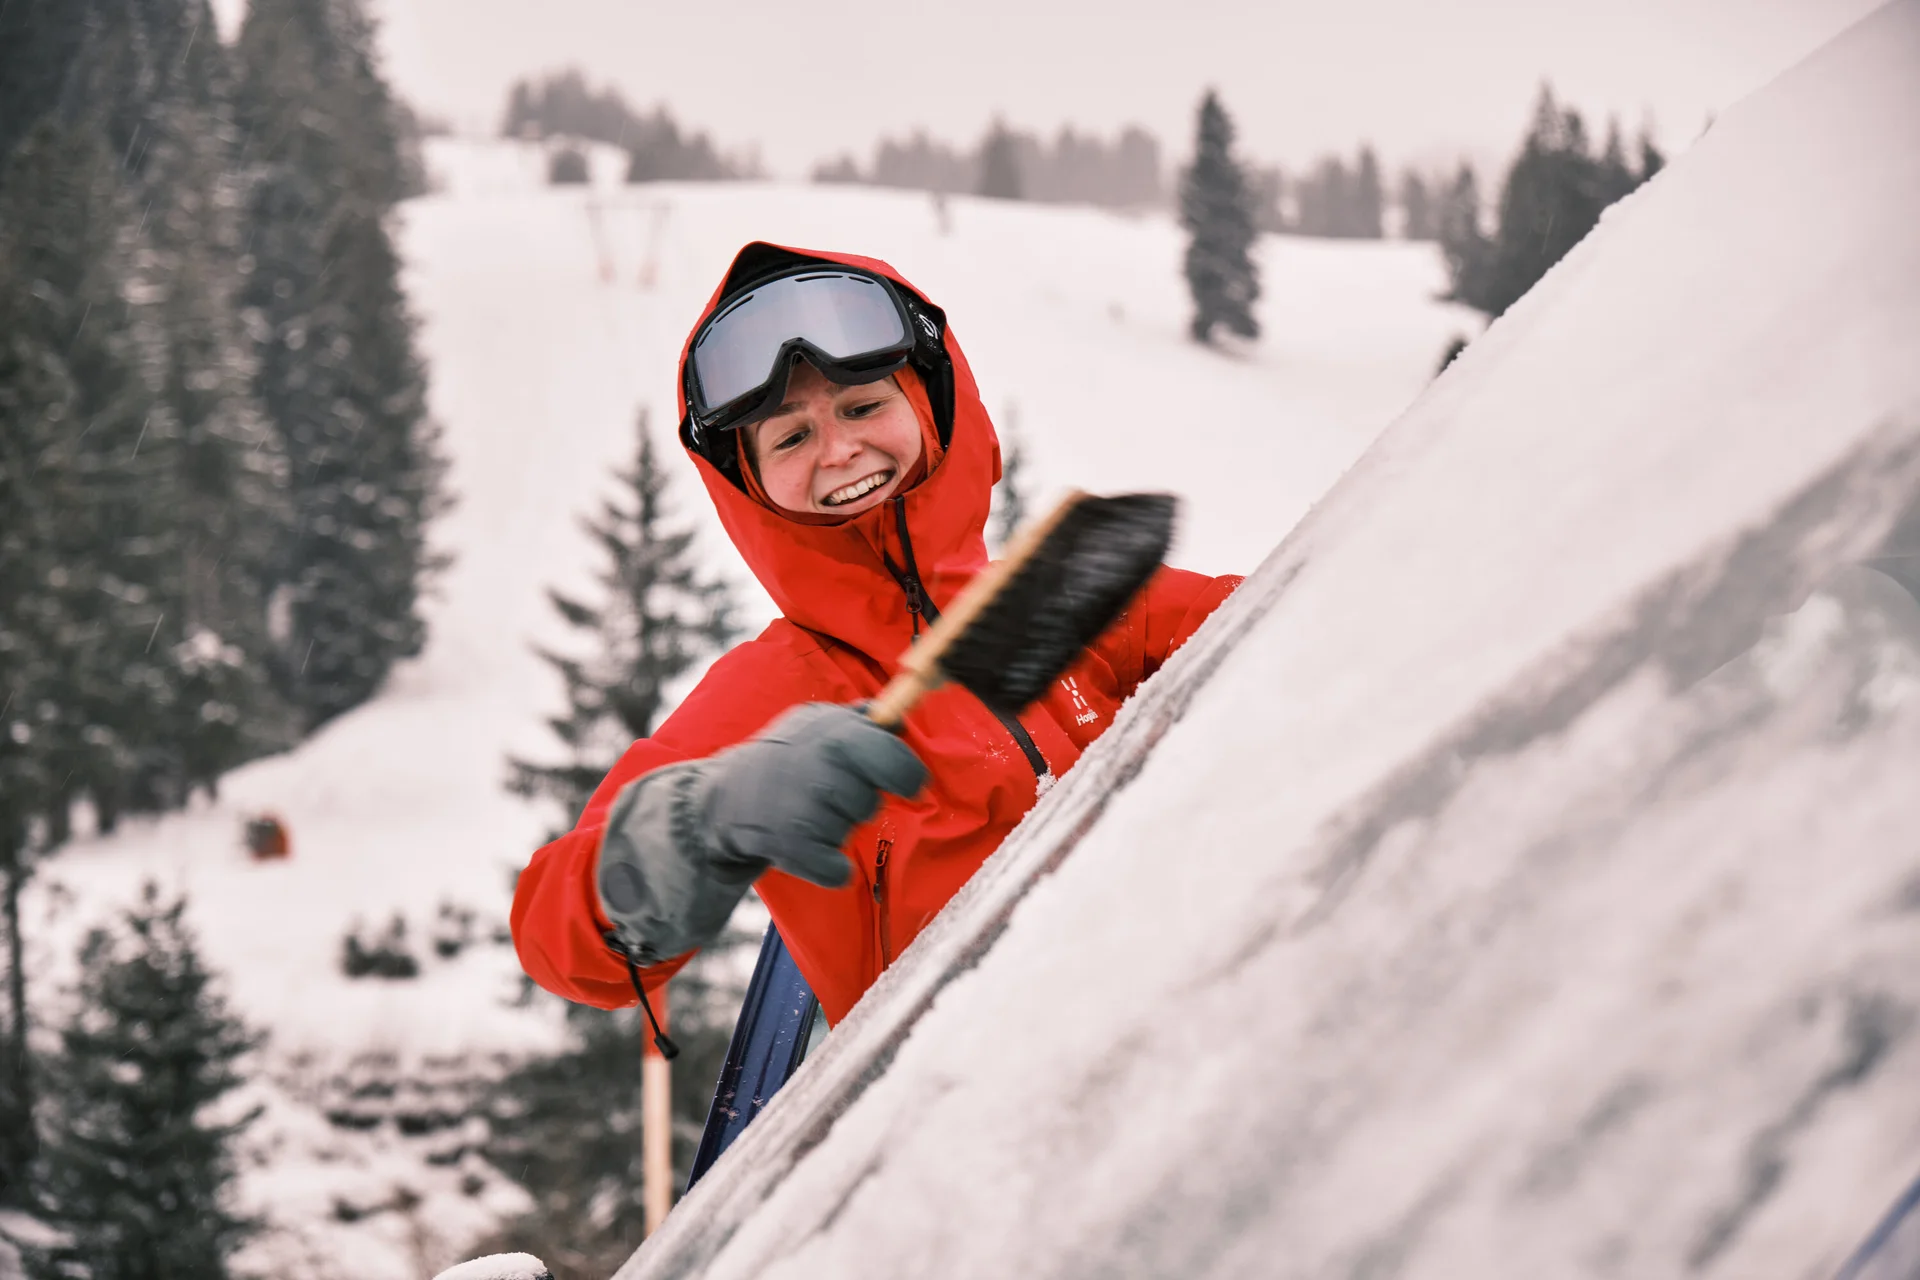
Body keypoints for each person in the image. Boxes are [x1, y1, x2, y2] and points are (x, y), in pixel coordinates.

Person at [510, 243, 1242, 1027]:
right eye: (789, 438)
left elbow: (1299, 629)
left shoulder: (1058, 598)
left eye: (862, 407)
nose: (839, 449)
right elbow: (558, 936)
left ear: (930, 405)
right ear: (749, 485)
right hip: (984, 1113)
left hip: (1201, 1038)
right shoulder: (775, 692)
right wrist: (702, 824)